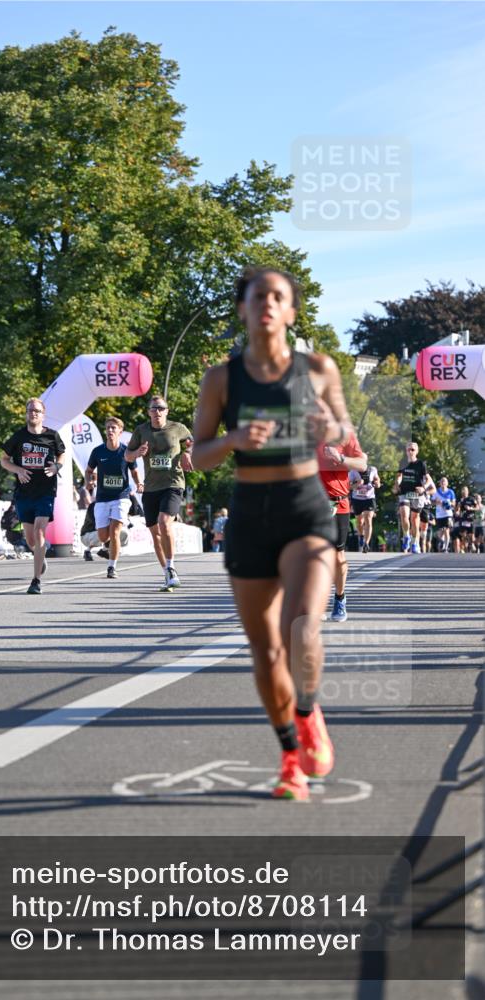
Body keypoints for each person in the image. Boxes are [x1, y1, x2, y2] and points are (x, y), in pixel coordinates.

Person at [192, 265, 355, 801]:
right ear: (243, 308)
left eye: (278, 296)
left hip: (305, 507)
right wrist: (235, 437)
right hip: (249, 512)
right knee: (265, 654)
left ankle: (307, 714)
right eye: (257, 295)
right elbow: (198, 456)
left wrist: (326, 430)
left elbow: (344, 432)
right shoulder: (221, 377)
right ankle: (290, 757)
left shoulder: (318, 368)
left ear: (291, 311)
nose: (267, 303)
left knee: (303, 628)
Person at [124, 395, 193, 590]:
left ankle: (171, 567)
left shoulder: (177, 428)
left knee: (164, 522)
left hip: (173, 483)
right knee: (155, 534)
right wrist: (137, 453)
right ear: (148, 412)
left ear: (167, 411)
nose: (157, 412)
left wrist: (187, 453)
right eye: (153, 409)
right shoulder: (141, 430)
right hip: (151, 487)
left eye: (161, 408)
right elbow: (127, 455)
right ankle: (166, 573)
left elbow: (192, 443)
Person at [1, 397, 65, 593]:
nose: (33, 413)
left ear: (43, 414)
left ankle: (36, 581)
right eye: (30, 410)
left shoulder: (52, 436)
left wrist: (57, 466)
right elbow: (4, 460)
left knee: (39, 532)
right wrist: (18, 470)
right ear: (26, 413)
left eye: (37, 411)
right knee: (30, 540)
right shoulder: (19, 437)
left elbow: (62, 454)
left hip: (45, 491)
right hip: (24, 493)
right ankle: (40, 555)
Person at [318, 432, 368, 621]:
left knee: (338, 556)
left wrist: (340, 457)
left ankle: (340, 598)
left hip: (338, 504)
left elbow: (362, 464)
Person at [85, 417, 141, 579]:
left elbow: (134, 471)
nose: (110, 431)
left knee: (115, 532)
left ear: (120, 432)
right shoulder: (98, 451)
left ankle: (111, 567)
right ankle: (107, 542)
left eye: (113, 428)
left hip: (121, 497)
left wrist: (139, 484)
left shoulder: (126, 452)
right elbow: (89, 471)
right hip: (102, 498)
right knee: (104, 536)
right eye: (108, 427)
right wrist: (90, 481)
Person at [393, 442, 435, 554]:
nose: (410, 452)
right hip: (405, 492)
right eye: (408, 449)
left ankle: (415, 542)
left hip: (417, 494)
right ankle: (406, 536)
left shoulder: (421, 464)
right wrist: (397, 485)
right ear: (406, 451)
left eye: (412, 449)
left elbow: (429, 480)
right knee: (403, 513)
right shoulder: (402, 462)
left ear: (417, 451)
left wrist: (424, 488)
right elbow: (398, 476)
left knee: (415, 518)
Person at [348, 464, 380, 553]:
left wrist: (377, 483)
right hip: (357, 499)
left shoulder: (373, 469)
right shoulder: (353, 472)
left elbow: (378, 481)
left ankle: (366, 543)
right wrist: (356, 484)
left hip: (369, 498)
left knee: (368, 519)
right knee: (359, 522)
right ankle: (361, 536)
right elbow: (348, 486)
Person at [434, 476, 456, 552]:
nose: (443, 483)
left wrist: (448, 504)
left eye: (444, 481)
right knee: (440, 532)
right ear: (440, 483)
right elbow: (431, 502)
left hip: (448, 514)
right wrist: (437, 502)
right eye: (442, 481)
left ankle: (445, 548)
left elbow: (454, 503)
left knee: (446, 530)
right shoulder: (436, 492)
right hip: (439, 514)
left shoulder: (451, 492)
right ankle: (442, 542)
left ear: (447, 483)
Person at [453, 485, 477, 554]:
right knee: (462, 534)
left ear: (468, 492)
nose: (464, 492)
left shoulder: (472, 499)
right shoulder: (460, 500)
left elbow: (477, 507)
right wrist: (457, 511)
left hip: (470, 519)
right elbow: (457, 508)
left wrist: (471, 508)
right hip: (463, 519)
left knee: (471, 535)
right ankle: (467, 544)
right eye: (463, 491)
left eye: (465, 491)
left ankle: (471, 543)